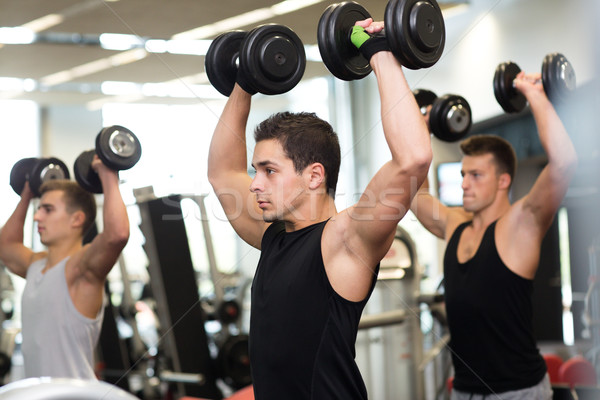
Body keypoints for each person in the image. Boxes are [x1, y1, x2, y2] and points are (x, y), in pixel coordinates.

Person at [208, 19, 432, 399]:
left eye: (269, 171)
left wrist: (378, 54)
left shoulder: (344, 242)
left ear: (314, 176)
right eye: (256, 171)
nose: (255, 183)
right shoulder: (273, 237)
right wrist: (244, 81)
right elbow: (222, 172)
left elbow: (413, 159)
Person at [411, 71, 578, 399]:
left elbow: (563, 163)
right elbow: (416, 194)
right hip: (465, 391)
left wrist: (534, 93)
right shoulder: (455, 224)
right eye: (462, 174)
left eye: (475, 175)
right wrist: (423, 126)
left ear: (503, 181)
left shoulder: (521, 225)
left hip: (517, 392)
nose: (463, 184)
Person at [0, 155, 130, 380]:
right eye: (38, 209)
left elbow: (117, 235)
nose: (37, 217)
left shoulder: (81, 270)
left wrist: (108, 175)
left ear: (76, 219)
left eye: (48, 210)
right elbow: (6, 245)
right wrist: (27, 194)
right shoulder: (35, 264)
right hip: (42, 395)